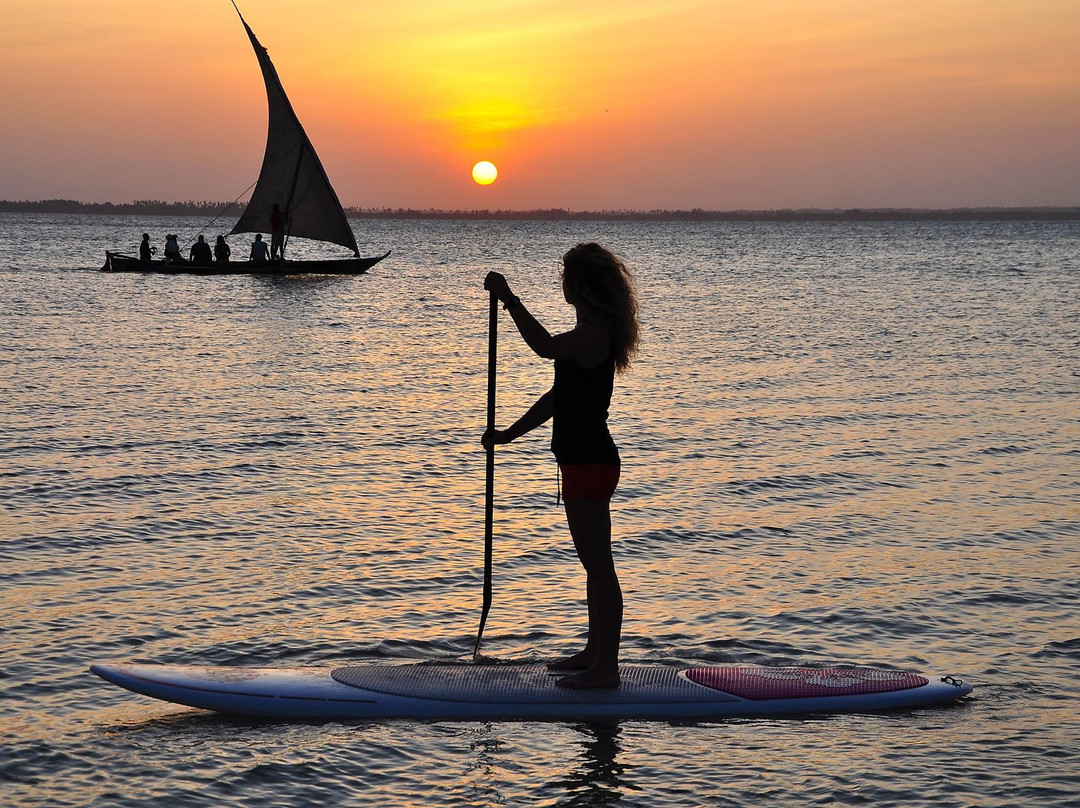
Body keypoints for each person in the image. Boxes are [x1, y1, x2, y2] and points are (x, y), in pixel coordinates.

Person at [482, 243, 640, 689]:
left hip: (590, 462)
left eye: (567, 276)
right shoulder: (588, 332)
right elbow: (558, 398)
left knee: (599, 565)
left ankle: (605, 669)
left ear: (583, 284)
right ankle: (594, 653)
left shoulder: (592, 335)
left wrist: (509, 298)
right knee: (593, 564)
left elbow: (544, 347)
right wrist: (508, 435)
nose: (562, 283)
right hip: (582, 461)